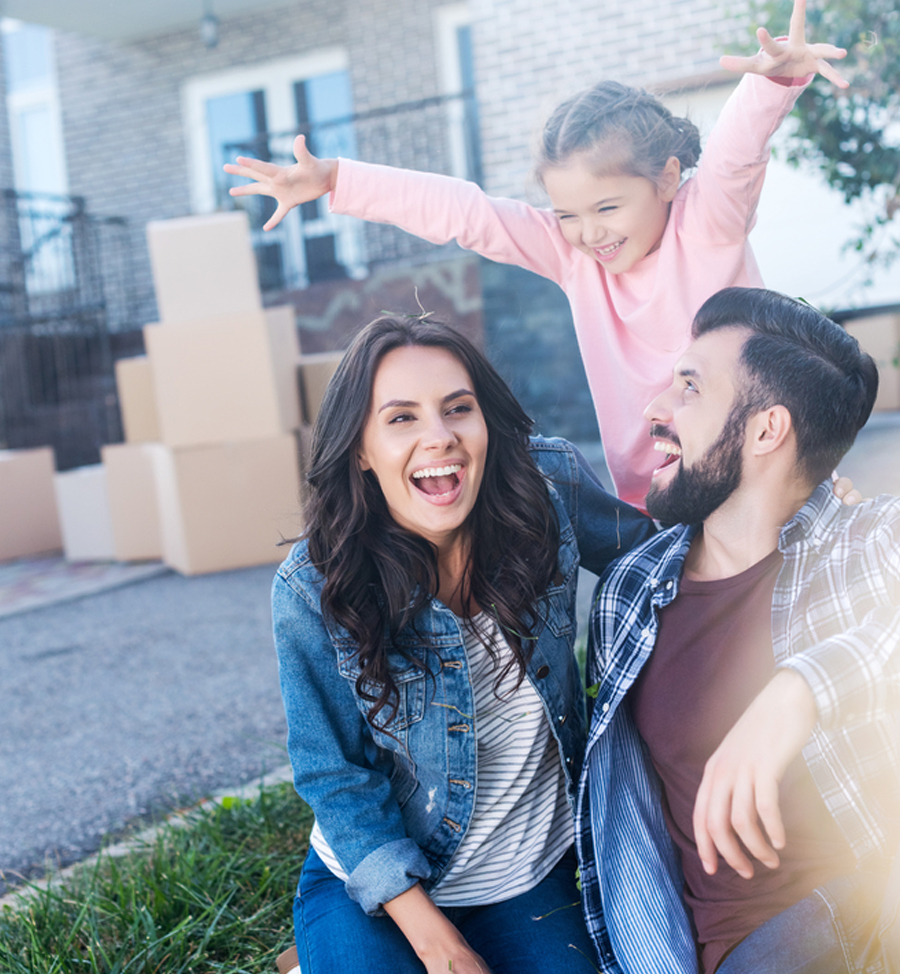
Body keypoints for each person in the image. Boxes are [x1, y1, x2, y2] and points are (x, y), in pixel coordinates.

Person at [224, 0, 847, 509]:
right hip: (655, 497)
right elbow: (465, 213)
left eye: (607, 209)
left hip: (756, 471)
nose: (589, 233)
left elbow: (739, 149)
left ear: (666, 178)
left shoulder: (707, 221)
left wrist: (775, 80)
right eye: (568, 214)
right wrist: (337, 178)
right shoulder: (572, 256)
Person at [271, 313, 656, 974]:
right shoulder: (315, 584)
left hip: (524, 877)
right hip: (378, 888)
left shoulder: (547, 489)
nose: (440, 438)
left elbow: (665, 561)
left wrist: (802, 515)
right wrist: (435, 943)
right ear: (360, 448)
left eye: (458, 409)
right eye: (401, 419)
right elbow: (335, 775)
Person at [576, 287, 900, 973]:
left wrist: (801, 690)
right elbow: (630, 833)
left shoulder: (871, 542)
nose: (654, 409)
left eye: (689, 389)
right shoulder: (630, 595)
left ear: (764, 431)